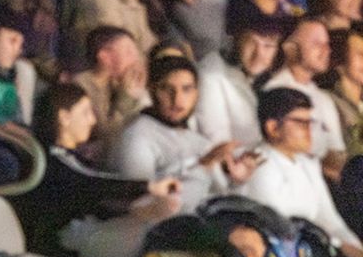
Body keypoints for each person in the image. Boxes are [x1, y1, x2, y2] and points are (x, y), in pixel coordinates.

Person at [15, 81, 183, 257]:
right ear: (64, 117)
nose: (93, 120)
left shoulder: (73, 159)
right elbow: (91, 185)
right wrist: (147, 187)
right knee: (150, 232)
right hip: (66, 240)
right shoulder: (53, 161)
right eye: (86, 113)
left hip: (84, 232)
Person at [109, 53, 262, 211]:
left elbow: (220, 197)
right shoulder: (137, 137)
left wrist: (236, 180)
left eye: (187, 89)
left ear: (197, 93)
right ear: (151, 89)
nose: (178, 100)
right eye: (167, 89)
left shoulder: (196, 139)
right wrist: (204, 166)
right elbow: (143, 210)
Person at [241, 87, 363, 256]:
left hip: (323, 250)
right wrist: (341, 247)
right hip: (284, 254)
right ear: (273, 127)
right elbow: (284, 224)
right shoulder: (259, 163)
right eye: (301, 123)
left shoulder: (308, 165)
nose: (309, 130)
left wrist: (356, 251)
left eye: (310, 122)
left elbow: (331, 221)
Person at [268, 18, 352, 180]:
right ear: (290, 48)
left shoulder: (323, 99)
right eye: (316, 44)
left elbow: (338, 153)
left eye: (327, 44)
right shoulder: (274, 92)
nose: (326, 50)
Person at [195, 17, 283, 146]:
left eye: (268, 45)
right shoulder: (211, 75)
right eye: (251, 42)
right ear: (237, 38)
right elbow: (217, 145)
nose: (259, 54)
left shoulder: (272, 79)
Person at [71, 26, 149, 162]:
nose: (136, 58)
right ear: (104, 57)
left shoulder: (115, 84)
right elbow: (106, 133)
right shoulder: (81, 87)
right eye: (128, 52)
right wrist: (126, 97)